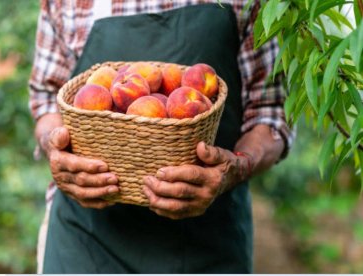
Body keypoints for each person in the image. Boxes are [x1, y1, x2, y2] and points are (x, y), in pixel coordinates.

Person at [29, 0, 293, 273]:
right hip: (85, 238)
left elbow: (271, 112)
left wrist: (237, 167)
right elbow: (47, 100)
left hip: (208, 238)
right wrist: (55, 146)